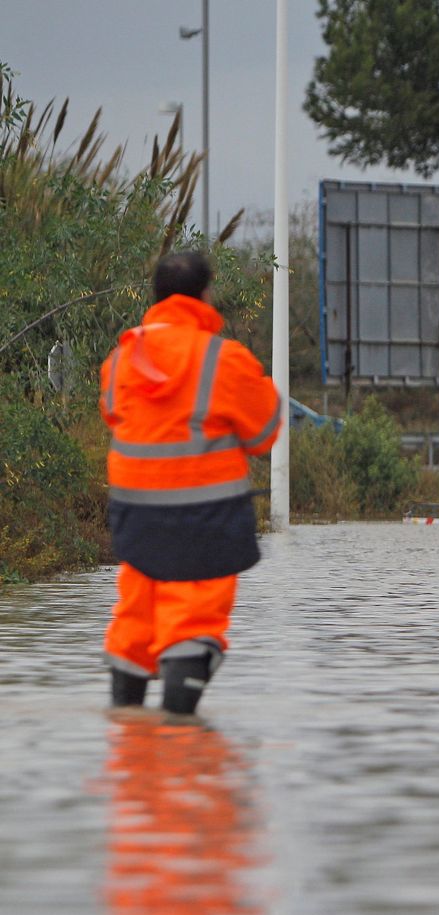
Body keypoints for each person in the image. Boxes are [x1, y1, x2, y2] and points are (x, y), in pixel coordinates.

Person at [100, 252, 281, 714]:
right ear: (205, 294)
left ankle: (128, 737)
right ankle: (181, 743)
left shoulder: (121, 357)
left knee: (135, 617)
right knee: (192, 621)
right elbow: (264, 435)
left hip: (135, 517)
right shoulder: (225, 359)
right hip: (206, 517)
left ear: (156, 296)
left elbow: (114, 416)